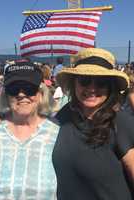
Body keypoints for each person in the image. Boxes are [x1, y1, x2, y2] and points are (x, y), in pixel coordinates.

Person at [0, 62, 59, 199]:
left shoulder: (57, 135)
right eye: (14, 89)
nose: (21, 94)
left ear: (40, 94)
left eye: (29, 88)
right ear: (6, 95)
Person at [53, 48, 134, 199]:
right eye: (84, 80)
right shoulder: (63, 116)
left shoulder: (121, 123)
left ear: (110, 87)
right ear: (74, 83)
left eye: (101, 82)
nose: (92, 88)